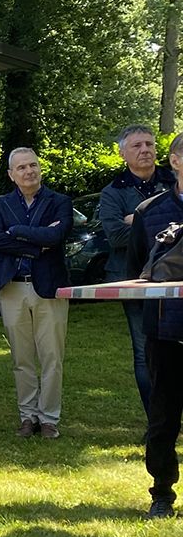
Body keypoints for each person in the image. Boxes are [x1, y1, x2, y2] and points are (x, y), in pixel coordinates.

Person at [0, 148, 72, 439]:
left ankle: (49, 418)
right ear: (11, 175)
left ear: (40, 168)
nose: (29, 171)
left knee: (52, 356)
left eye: (33, 165)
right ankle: (27, 416)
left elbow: (56, 236)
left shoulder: (59, 202)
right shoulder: (1, 205)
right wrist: (36, 246)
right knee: (20, 358)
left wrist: (16, 231)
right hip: (13, 287)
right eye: (21, 168)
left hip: (49, 288)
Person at [126, 130, 183, 518]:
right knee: (163, 418)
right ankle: (162, 492)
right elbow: (135, 272)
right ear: (175, 162)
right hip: (165, 331)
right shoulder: (151, 212)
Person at [98, 124, 174, 416]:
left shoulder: (175, 181)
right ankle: (156, 422)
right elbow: (116, 236)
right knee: (144, 353)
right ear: (122, 154)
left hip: (176, 278)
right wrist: (165, 226)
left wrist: (137, 219)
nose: (145, 150)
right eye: (137, 146)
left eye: (149, 144)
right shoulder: (112, 192)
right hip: (134, 282)